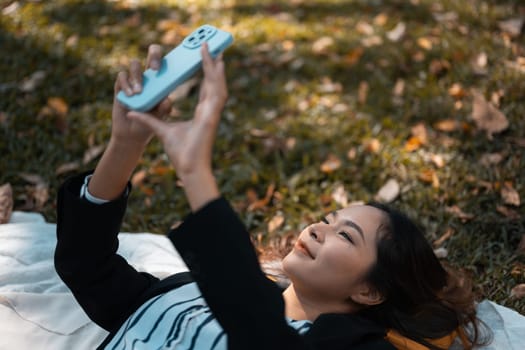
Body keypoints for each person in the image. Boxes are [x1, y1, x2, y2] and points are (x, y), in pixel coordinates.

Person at [54, 42, 488, 350]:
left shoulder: (354, 345)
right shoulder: (197, 293)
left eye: (346, 235)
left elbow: (261, 334)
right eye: (329, 217)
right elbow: (87, 266)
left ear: (370, 292)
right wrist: (125, 146)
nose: (319, 227)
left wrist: (196, 174)